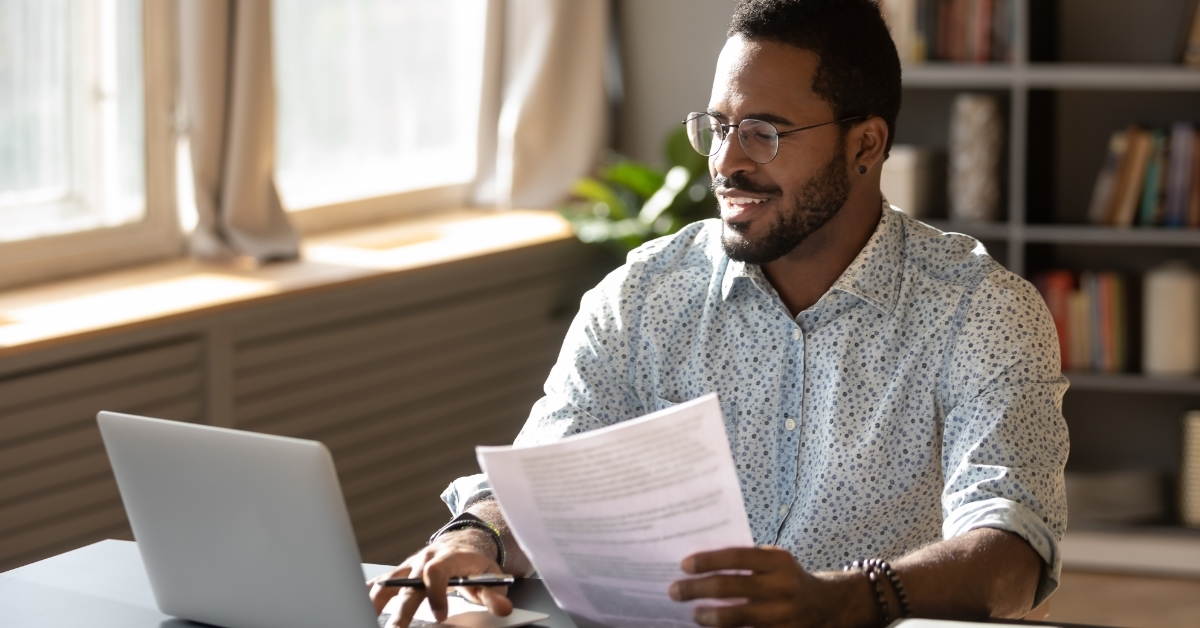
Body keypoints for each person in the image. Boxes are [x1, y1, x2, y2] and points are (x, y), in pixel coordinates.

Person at [370, 1, 1069, 626]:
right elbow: (542, 480)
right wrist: (476, 535)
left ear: (865, 146)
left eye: (764, 132)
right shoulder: (646, 293)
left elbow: (1014, 548)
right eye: (720, 125)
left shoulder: (982, 310)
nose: (727, 162)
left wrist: (845, 599)